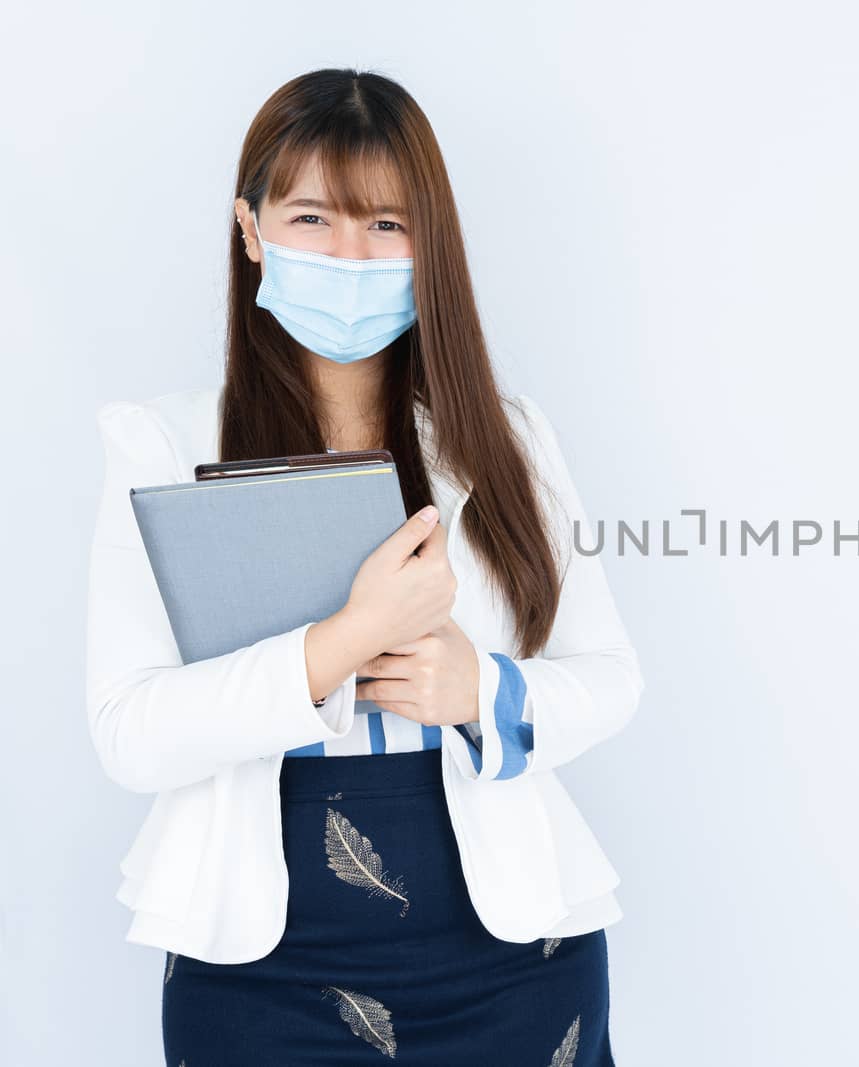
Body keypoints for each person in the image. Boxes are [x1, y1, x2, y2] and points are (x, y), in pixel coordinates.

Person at [84, 68, 642, 1065]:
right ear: (250, 231)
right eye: (312, 218)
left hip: (514, 951)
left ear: (432, 243)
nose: (352, 254)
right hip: (261, 960)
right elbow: (129, 731)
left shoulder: (508, 442)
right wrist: (342, 643)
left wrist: (485, 691)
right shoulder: (164, 446)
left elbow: (609, 676)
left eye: (387, 224)